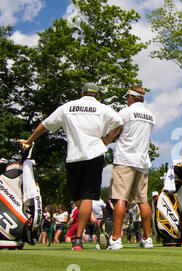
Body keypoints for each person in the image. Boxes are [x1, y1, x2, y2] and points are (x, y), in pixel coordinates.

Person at [18, 82, 123, 250]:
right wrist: (107, 140)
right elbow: (119, 122)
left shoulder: (68, 107)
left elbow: (45, 125)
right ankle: (83, 235)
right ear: (97, 95)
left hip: (74, 157)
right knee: (87, 196)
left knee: (79, 198)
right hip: (95, 154)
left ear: (82, 93)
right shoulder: (103, 108)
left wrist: (29, 141)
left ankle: (79, 236)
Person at [108, 85, 155, 250]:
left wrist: (103, 142)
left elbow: (114, 132)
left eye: (126, 97)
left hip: (125, 159)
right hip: (142, 161)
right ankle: (148, 239)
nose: (126, 100)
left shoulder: (125, 112)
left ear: (131, 97)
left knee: (120, 197)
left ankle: (115, 239)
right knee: (143, 200)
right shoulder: (150, 115)